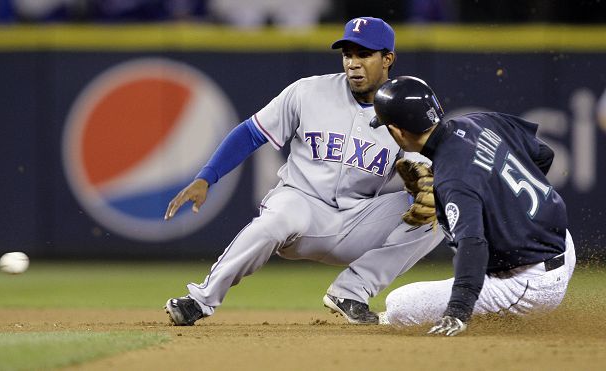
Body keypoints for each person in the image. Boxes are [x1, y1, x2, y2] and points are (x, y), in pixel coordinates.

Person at [163, 18, 444, 326]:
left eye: (364, 55)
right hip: (301, 205)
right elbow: (251, 133)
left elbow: (431, 163)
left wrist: (429, 180)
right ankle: (200, 301)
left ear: (387, 59)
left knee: (438, 206)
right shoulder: (308, 91)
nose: (353, 63)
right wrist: (207, 177)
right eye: (347, 54)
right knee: (275, 219)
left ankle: (352, 290)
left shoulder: (405, 107)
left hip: (358, 221)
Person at [369, 76, 575, 336]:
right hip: (564, 247)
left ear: (397, 131)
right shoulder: (481, 120)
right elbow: (544, 154)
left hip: (529, 284)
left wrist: (458, 311)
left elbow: (473, 245)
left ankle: (486, 313)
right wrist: (504, 204)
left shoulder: (452, 176)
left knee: (399, 305)